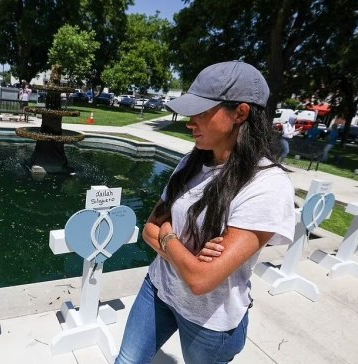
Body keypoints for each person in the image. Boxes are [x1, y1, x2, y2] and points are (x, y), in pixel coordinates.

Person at [115, 61, 296, 364]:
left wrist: (169, 235)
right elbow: (149, 228)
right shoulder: (191, 162)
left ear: (240, 113)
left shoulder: (267, 185)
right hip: (158, 289)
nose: (190, 122)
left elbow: (201, 282)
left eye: (202, 112)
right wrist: (184, 253)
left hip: (210, 322)